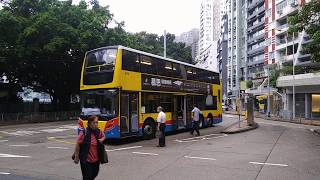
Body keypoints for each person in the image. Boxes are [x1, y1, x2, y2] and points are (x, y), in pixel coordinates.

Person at [73, 115, 105, 180]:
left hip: (96, 160)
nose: (96, 124)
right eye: (94, 122)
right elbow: (78, 144)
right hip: (86, 160)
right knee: (87, 177)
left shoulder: (98, 132)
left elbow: (104, 136)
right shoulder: (84, 133)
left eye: (97, 122)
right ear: (89, 123)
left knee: (95, 174)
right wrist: (76, 157)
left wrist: (102, 139)